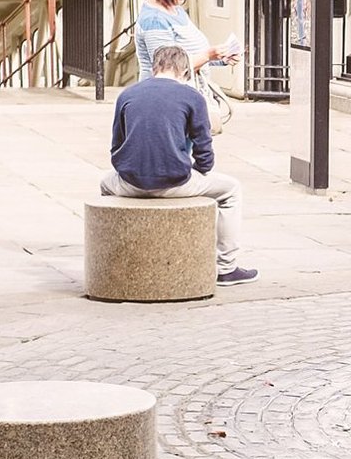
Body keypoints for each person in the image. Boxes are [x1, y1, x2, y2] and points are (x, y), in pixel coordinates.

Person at [103, 41, 253, 283]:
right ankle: (226, 267)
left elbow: (116, 148)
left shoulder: (127, 95)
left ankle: (113, 257)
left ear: (154, 68)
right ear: (185, 72)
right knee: (231, 191)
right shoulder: (192, 97)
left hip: (130, 181)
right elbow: (205, 155)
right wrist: (195, 170)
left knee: (104, 184)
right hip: (175, 181)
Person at [132, 0, 238, 95]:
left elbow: (189, 54)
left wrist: (221, 57)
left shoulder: (175, 10)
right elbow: (167, 71)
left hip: (186, 95)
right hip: (166, 100)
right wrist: (208, 55)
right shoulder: (154, 21)